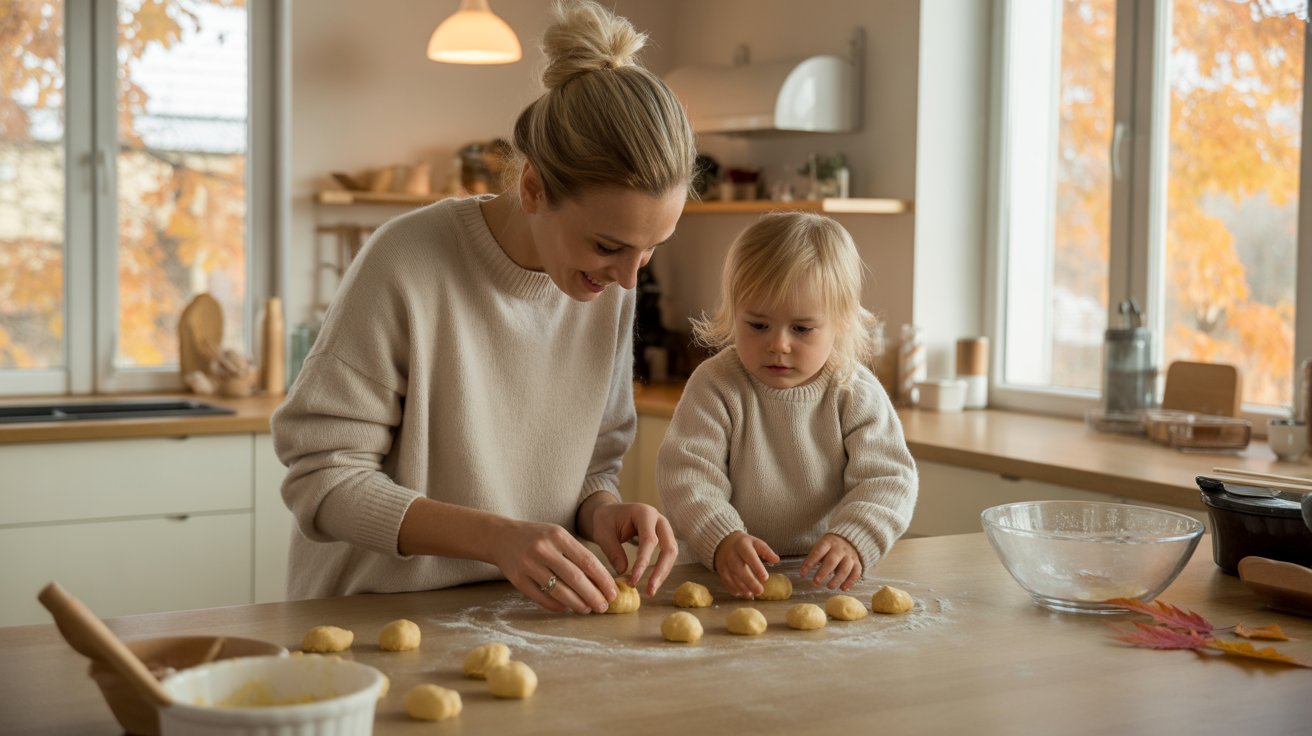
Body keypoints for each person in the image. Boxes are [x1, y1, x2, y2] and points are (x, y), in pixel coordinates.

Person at [272, 0, 696, 615]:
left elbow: (591, 469)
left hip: (517, 616)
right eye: (609, 245)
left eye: (651, 250)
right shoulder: (408, 260)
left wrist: (604, 511)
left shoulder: (604, 284)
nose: (630, 278)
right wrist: (497, 538)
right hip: (367, 619)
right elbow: (323, 478)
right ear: (532, 188)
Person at [656, 213, 918, 599]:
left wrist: (854, 537)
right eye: (758, 326)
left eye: (802, 328)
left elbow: (889, 479)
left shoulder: (855, 392)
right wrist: (723, 536)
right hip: (723, 573)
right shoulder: (716, 385)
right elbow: (688, 476)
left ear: (841, 322)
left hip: (819, 579)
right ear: (734, 313)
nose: (778, 344)